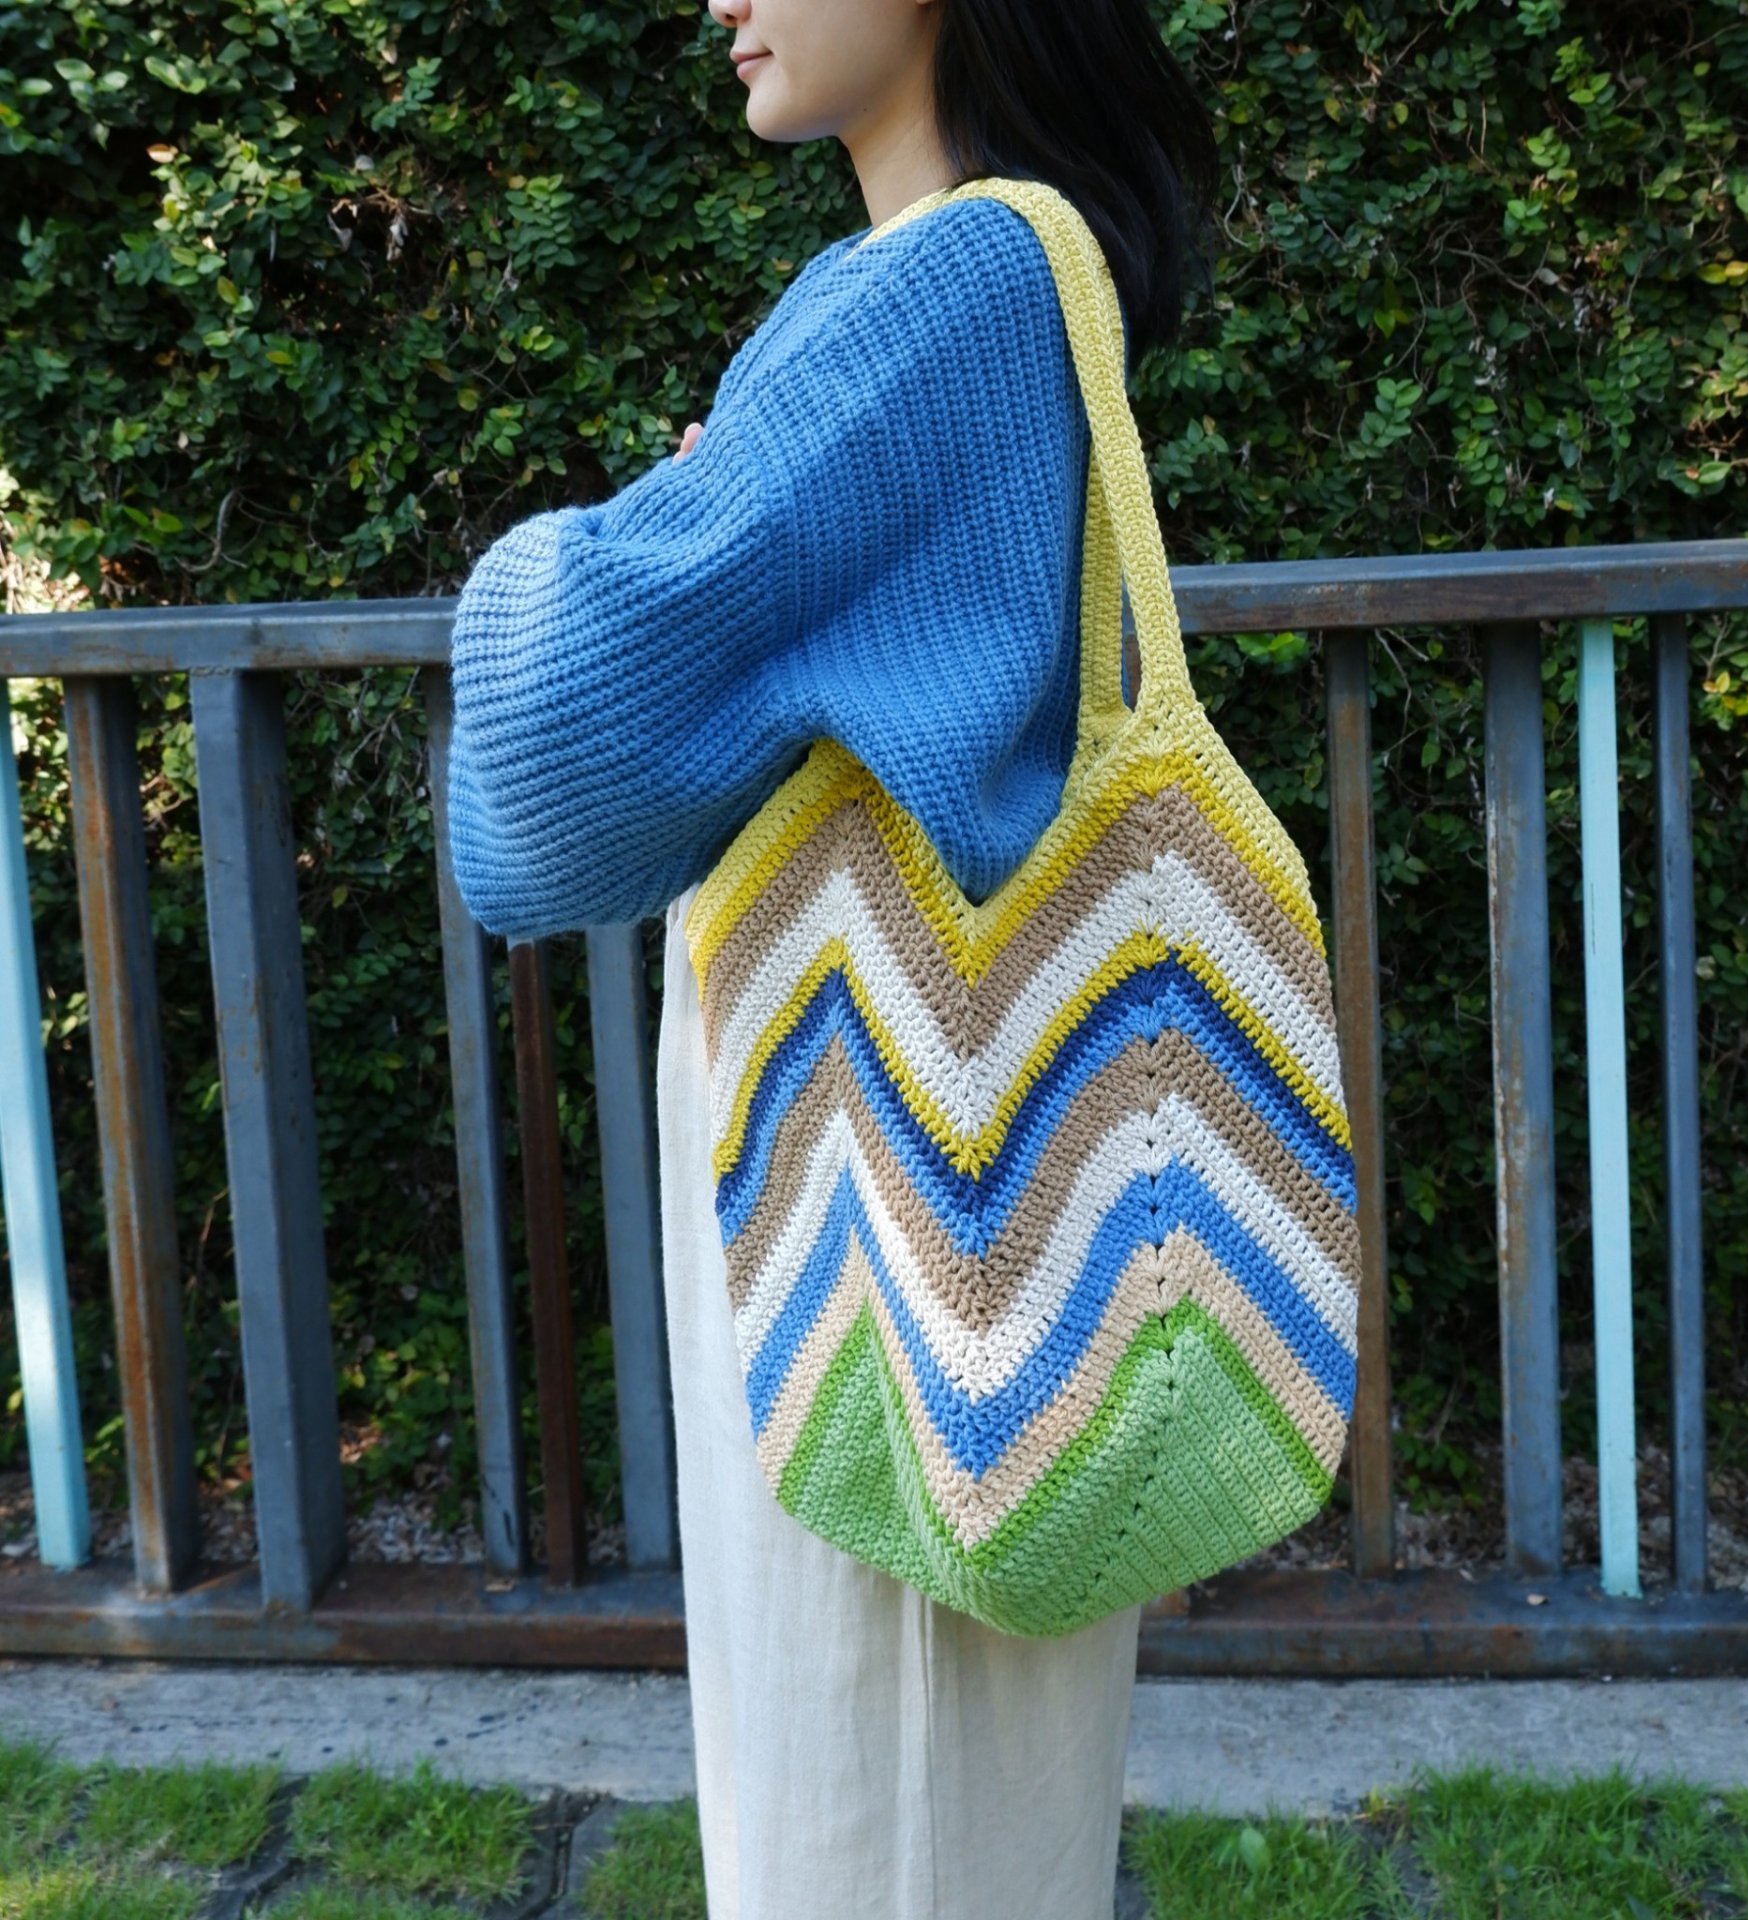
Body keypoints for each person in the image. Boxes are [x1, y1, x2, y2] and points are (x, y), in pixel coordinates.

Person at [445, 1, 1220, 1912]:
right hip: (929, 1133)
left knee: (868, 1811)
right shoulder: (942, 281)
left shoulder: (954, 286)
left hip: (881, 1161)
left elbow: (561, 723)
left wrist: (595, 538)